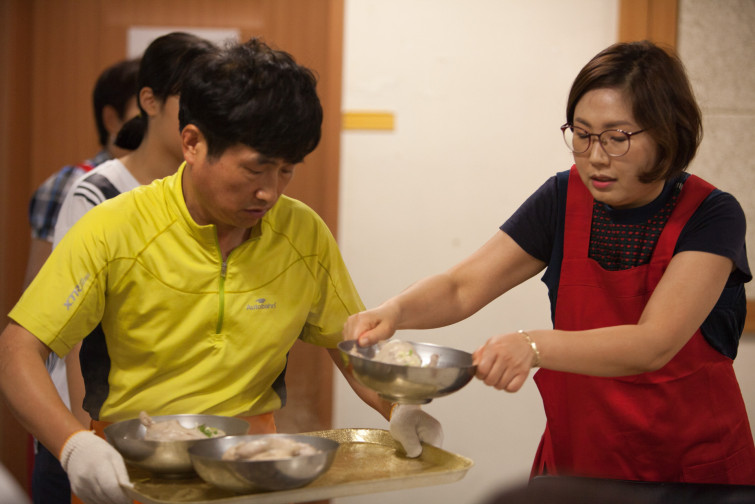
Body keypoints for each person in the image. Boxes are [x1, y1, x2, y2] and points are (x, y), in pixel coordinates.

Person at [0, 37, 399, 504]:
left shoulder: (302, 233)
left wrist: (399, 407)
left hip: (252, 478)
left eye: (286, 171)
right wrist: (74, 446)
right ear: (192, 142)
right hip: (130, 477)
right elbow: (17, 350)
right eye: (255, 169)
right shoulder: (115, 227)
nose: (271, 192)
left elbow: (352, 348)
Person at [343, 40, 755, 484]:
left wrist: (533, 346)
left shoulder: (712, 215)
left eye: (617, 138)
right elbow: (462, 287)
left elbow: (654, 343)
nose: (595, 156)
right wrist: (394, 312)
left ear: (667, 134)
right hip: (579, 465)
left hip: (689, 473)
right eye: (582, 134)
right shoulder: (563, 197)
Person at [23, 57, 139, 504]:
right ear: (113, 117)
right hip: (75, 412)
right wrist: (79, 433)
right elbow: (40, 296)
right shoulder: (80, 185)